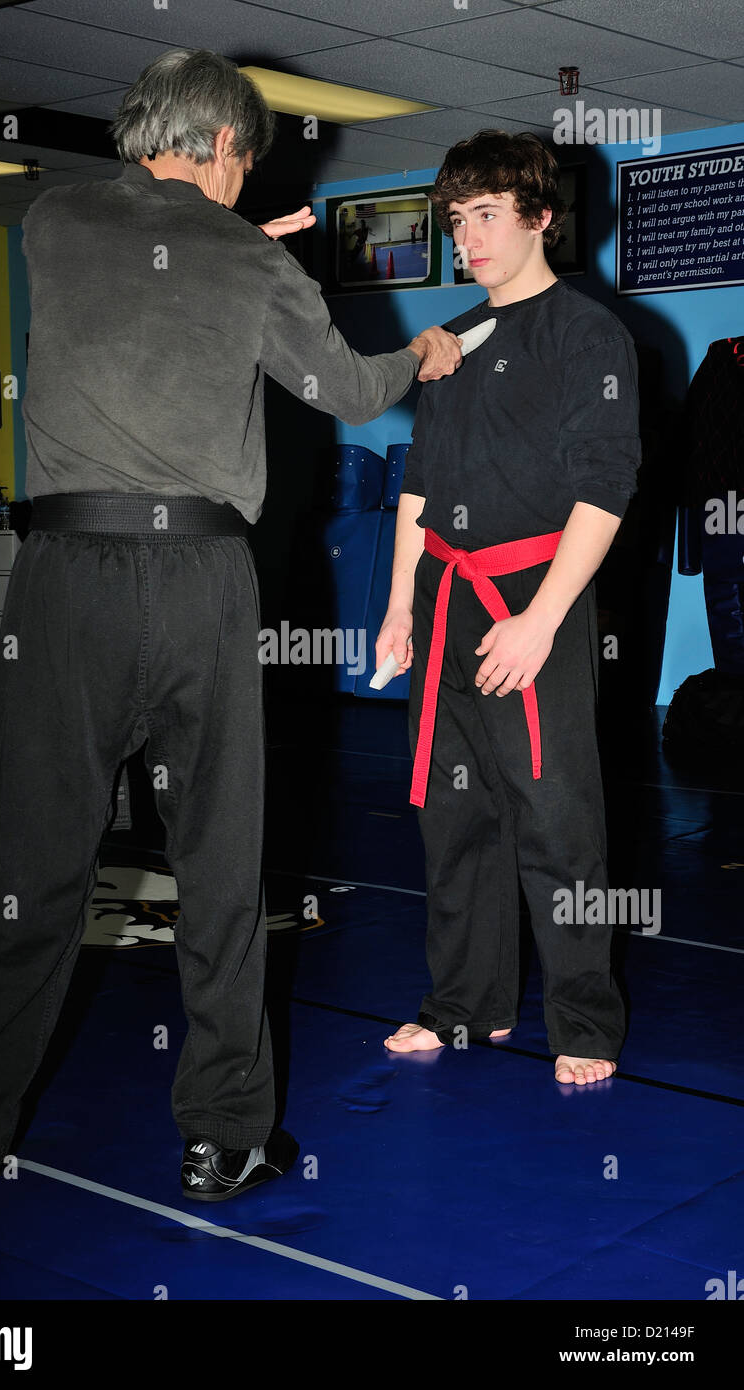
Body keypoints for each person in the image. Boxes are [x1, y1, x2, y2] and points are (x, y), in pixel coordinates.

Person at [0, 48, 462, 1246]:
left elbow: (154, 272)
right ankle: (222, 1138)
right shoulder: (247, 254)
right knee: (218, 865)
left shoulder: (52, 218)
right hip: (199, 580)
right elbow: (353, 394)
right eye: (244, 160)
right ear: (222, 147)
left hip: (65, 582)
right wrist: (422, 353)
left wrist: (242, 245)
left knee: (20, 876)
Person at [376, 130, 641, 1085]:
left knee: (554, 816)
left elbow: (606, 488)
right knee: (454, 820)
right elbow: (418, 481)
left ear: (540, 218)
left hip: (536, 597)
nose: (467, 237)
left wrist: (540, 621)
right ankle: (462, 1008)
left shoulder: (587, 335)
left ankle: (581, 1022)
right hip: (447, 598)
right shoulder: (452, 340)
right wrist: (399, 603)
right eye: (455, 219)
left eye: (486, 215)